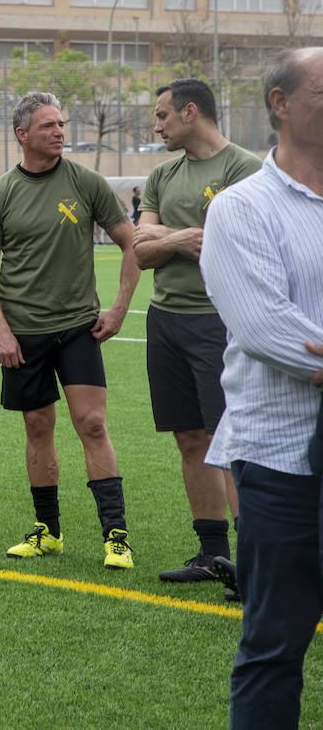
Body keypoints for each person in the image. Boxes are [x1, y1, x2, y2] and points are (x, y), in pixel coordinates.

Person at [200, 47, 323, 727]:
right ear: (281, 104)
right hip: (282, 458)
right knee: (275, 643)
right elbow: (268, 330)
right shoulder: (243, 209)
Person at [0, 91, 141, 569]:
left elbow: (133, 245)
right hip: (24, 336)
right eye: (48, 126)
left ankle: (116, 537)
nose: (59, 132)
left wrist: (120, 309)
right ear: (22, 135)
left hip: (78, 329)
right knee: (38, 427)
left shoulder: (86, 183)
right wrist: (2, 332)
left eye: (61, 124)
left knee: (92, 424)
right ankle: (49, 532)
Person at [132, 78, 260, 590]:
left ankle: (255, 562)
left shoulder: (243, 168)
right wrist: (182, 237)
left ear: (190, 112)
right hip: (165, 319)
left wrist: (170, 235)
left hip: (220, 322)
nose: (156, 125)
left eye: (162, 115)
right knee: (190, 438)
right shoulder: (163, 173)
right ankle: (212, 555)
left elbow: (227, 242)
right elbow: (140, 252)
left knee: (232, 441)